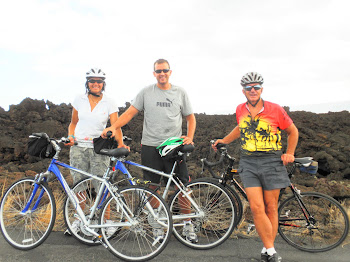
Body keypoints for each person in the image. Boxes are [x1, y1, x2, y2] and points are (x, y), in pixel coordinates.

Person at [102, 58, 197, 242]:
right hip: (151, 146)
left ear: (170, 72)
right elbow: (130, 113)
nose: (162, 74)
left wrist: (190, 136)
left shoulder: (180, 92)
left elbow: (190, 118)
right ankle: (157, 226)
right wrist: (114, 127)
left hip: (173, 147)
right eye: (158, 71)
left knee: (181, 187)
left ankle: (188, 225)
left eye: (165, 70)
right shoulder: (146, 92)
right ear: (154, 73)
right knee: (152, 186)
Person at [213, 72, 298, 262]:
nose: (253, 90)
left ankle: (268, 249)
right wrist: (224, 141)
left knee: (271, 207)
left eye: (256, 87)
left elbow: (293, 131)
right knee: (256, 207)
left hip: (272, 161)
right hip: (249, 162)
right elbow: (241, 128)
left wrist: (289, 152)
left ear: (262, 89)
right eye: (249, 88)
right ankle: (271, 250)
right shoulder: (240, 109)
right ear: (243, 91)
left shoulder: (275, 109)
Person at [65, 67, 127, 235]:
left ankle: (105, 221)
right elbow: (73, 123)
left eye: (99, 81)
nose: (96, 84)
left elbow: (116, 126)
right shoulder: (79, 99)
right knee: (79, 185)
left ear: (103, 84)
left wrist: (120, 144)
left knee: (102, 185)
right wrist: (70, 136)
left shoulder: (110, 102)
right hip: (79, 148)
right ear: (88, 83)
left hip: (100, 148)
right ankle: (80, 220)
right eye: (92, 81)